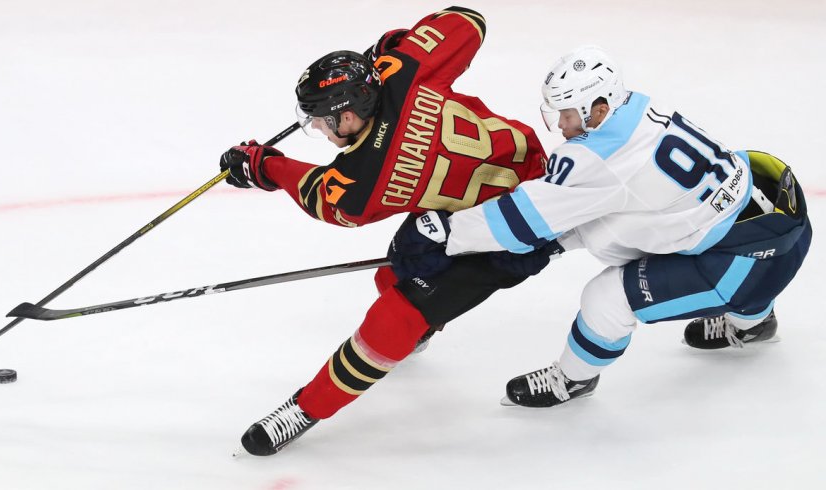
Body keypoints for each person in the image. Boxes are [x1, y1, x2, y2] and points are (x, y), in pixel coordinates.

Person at [389, 45, 812, 408]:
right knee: (699, 248)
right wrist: (557, 241)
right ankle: (754, 323)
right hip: (773, 222)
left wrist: (445, 231)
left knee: (607, 298)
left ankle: (572, 379)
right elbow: (624, 207)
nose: (562, 127)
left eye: (568, 115)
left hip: (741, 264)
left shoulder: (597, 158)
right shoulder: (640, 110)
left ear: (600, 107)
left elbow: (517, 221)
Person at [219, 7, 553, 455]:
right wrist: (395, 46)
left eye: (321, 121)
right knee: (398, 266)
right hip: (523, 163)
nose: (318, 129)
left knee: (391, 322)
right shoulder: (403, 71)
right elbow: (467, 20)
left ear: (350, 114)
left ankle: (307, 408)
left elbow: (319, 194)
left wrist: (263, 165)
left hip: (517, 228)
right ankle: (421, 327)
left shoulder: (360, 183)